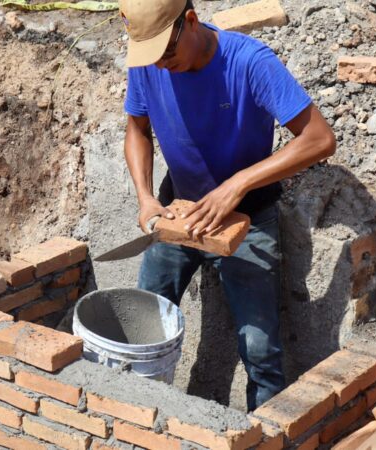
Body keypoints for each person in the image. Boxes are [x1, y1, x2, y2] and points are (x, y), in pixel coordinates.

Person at [119, 0, 336, 410]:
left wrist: (237, 184)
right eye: (152, 57)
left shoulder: (249, 62)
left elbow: (320, 139)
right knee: (143, 326)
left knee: (260, 352)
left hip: (248, 217)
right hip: (177, 210)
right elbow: (137, 128)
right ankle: (137, 423)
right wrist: (146, 198)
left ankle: (264, 434)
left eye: (167, 52)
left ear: (191, 21)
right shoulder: (148, 59)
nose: (161, 65)